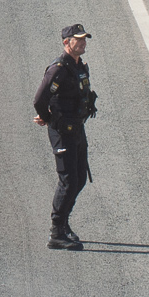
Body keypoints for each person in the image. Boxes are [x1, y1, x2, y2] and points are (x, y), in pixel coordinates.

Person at [31, 25, 98, 249]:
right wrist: (46, 118)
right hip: (62, 132)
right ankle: (56, 233)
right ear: (66, 43)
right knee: (68, 180)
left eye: (84, 39)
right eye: (77, 40)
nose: (82, 43)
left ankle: (64, 224)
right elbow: (39, 99)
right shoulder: (58, 69)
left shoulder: (79, 67)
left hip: (77, 128)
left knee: (79, 179)